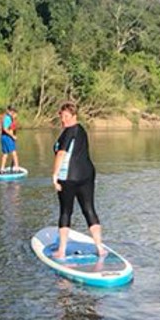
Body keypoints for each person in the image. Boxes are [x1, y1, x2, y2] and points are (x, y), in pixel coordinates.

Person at [51, 102, 106, 260]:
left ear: (74, 116)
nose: (64, 120)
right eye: (62, 116)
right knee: (89, 209)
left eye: (67, 117)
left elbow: (61, 154)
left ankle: (61, 251)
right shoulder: (82, 130)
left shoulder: (69, 131)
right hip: (87, 174)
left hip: (68, 177)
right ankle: (100, 248)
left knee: (66, 211)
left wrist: (54, 176)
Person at [0, 105, 20, 173]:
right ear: (10, 111)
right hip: (7, 137)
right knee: (14, 153)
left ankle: (2, 169)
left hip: (4, 137)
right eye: (13, 111)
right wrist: (13, 136)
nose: (13, 113)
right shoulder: (7, 118)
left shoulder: (9, 118)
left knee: (5, 154)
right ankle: (16, 168)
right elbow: (5, 129)